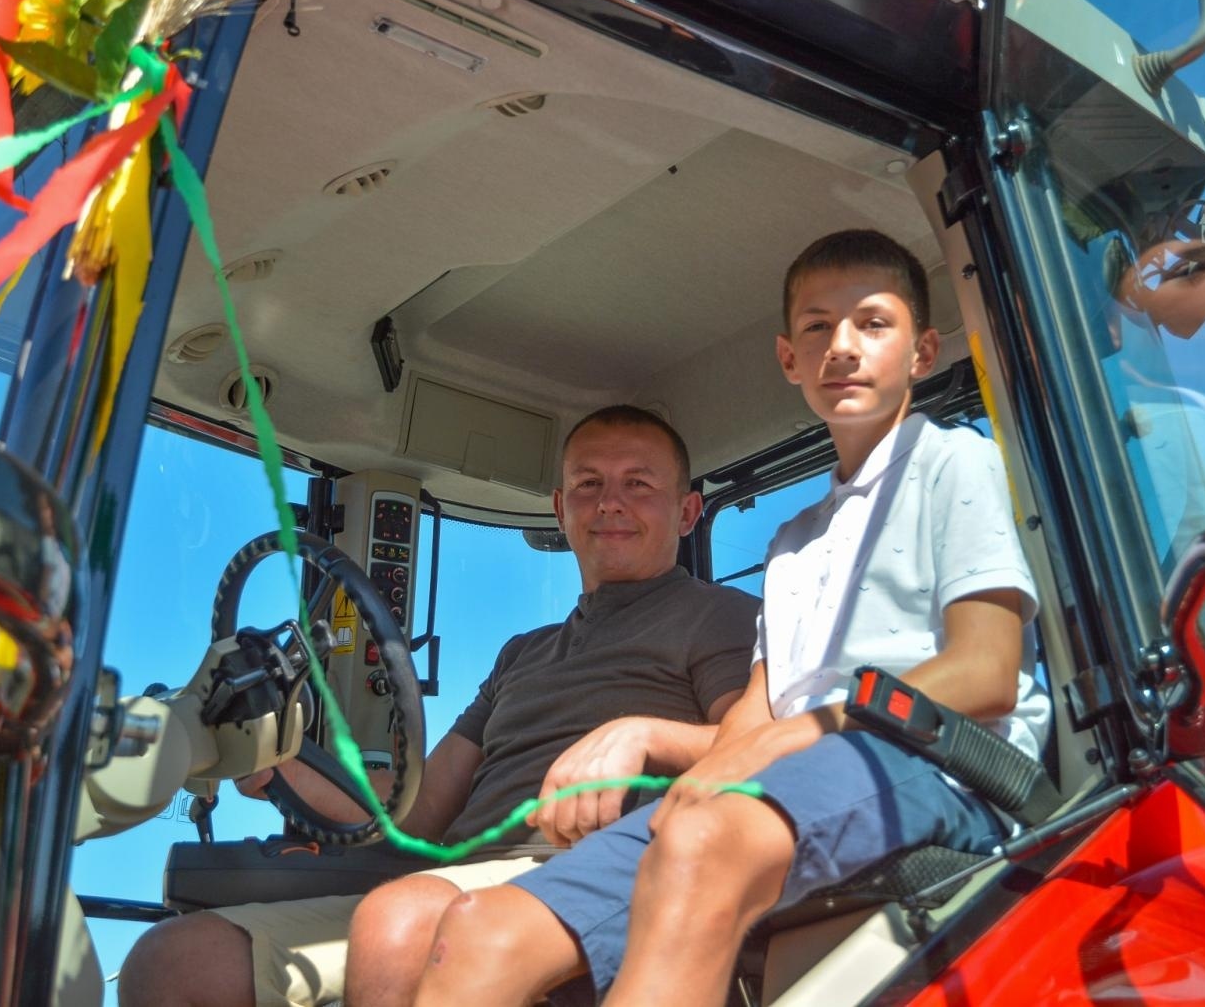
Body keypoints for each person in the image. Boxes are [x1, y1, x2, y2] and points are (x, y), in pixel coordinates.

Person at [403, 230, 1046, 1007]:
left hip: (933, 767)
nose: (842, 346)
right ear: (789, 360)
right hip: (808, 774)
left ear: (923, 350)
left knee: (701, 840)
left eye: (872, 322)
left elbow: (986, 672)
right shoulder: (795, 543)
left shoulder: (956, 461)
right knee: (482, 933)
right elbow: (758, 707)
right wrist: (697, 778)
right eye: (817, 328)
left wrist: (769, 748)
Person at [117, 405, 759, 1007]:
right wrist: (278, 762)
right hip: (459, 880)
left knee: (400, 923)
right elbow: (419, 809)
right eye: (588, 484)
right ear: (561, 510)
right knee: (175, 959)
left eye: (639, 484)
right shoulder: (522, 654)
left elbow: (756, 749)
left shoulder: (721, 617)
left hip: (604, 878)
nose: (610, 502)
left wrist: (641, 733)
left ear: (688, 512)